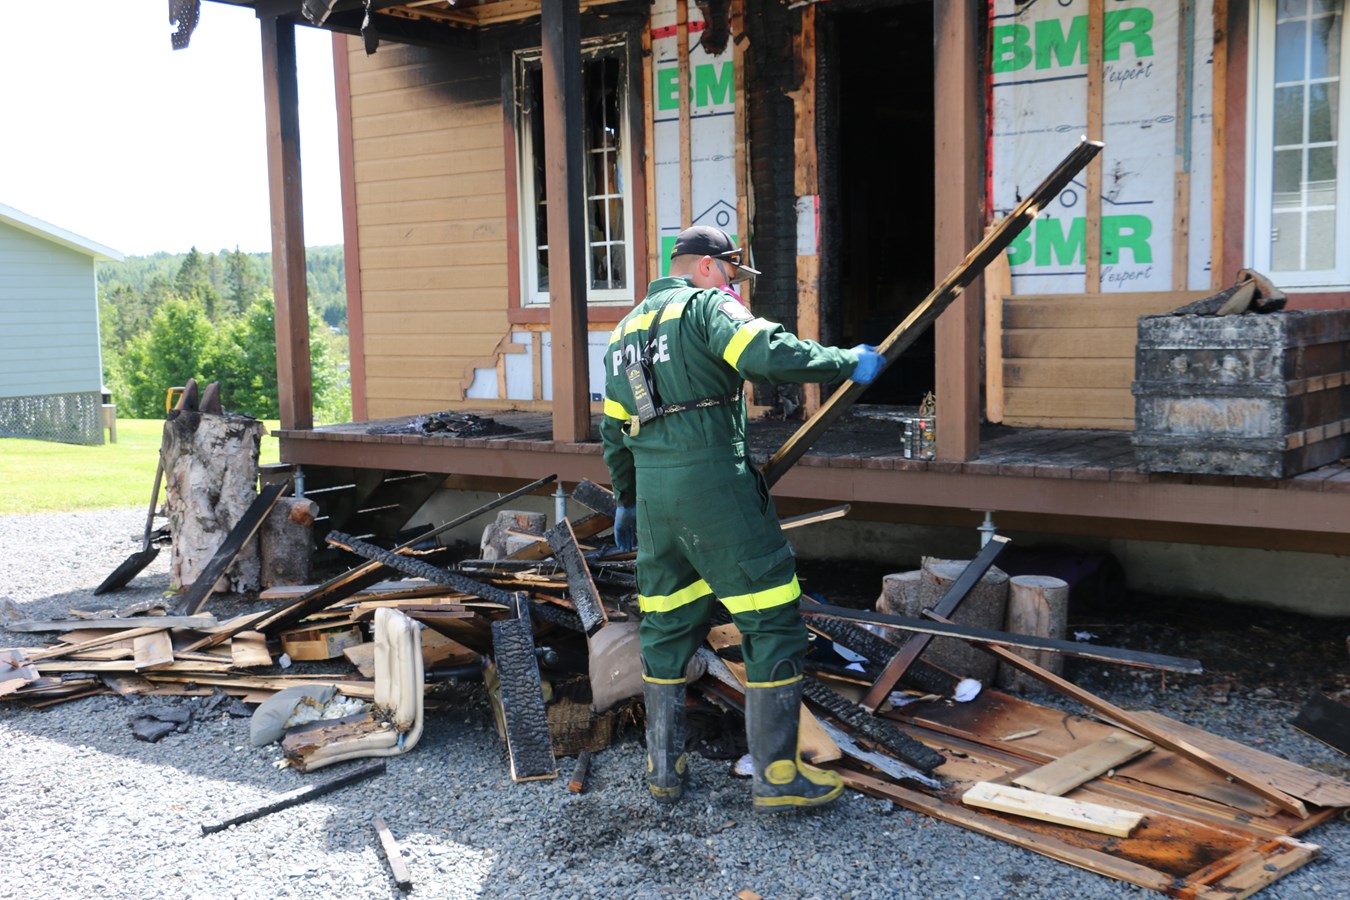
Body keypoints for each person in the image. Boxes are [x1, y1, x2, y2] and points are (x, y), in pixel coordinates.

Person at [600, 225, 884, 811]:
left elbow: (613, 429)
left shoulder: (624, 333)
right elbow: (763, 355)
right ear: (705, 266)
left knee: (666, 626)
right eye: (731, 272)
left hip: (654, 497)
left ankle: (664, 771)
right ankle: (778, 777)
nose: (734, 285)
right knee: (771, 617)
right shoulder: (707, 308)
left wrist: (627, 498)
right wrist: (842, 362)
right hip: (714, 486)